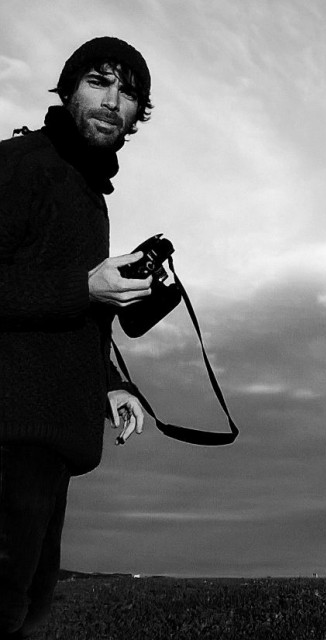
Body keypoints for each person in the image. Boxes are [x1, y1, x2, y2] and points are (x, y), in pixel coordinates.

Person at [1, 37, 156, 638]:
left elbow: (69, 307)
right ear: (67, 90)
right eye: (98, 81)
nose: (113, 100)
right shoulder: (21, 164)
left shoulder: (85, 188)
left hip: (48, 443)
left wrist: (109, 384)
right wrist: (84, 286)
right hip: (9, 435)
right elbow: (72, 291)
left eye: (128, 92)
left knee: (29, 618)